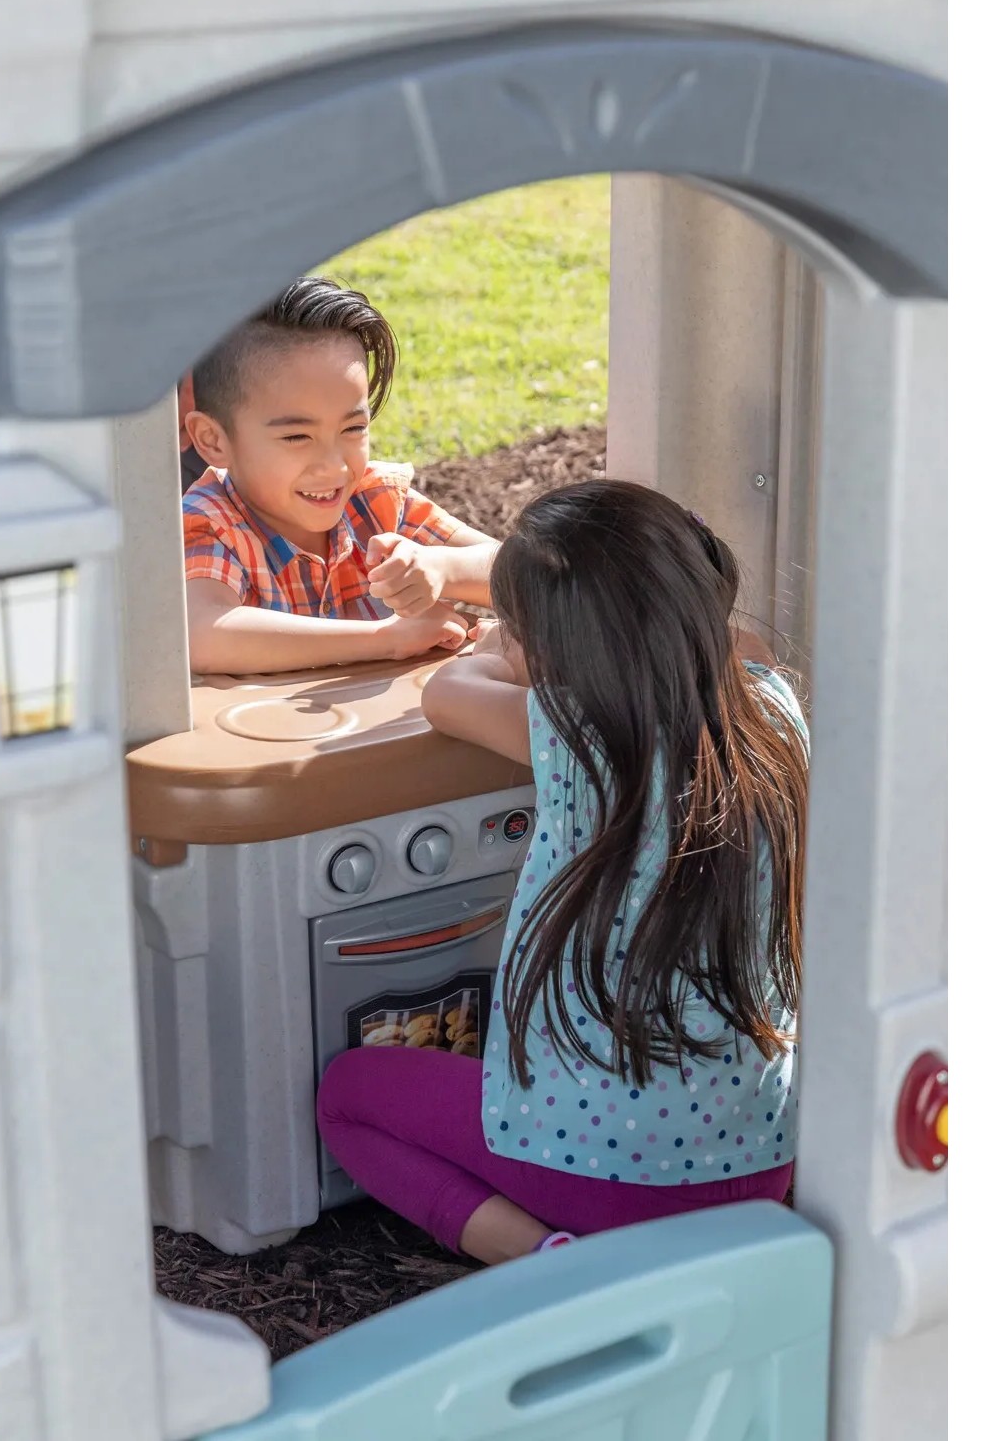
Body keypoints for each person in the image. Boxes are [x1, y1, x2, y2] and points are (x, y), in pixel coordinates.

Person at [316, 480, 810, 1264]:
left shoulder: (581, 739)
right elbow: (746, 648)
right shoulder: (776, 714)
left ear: (556, 653)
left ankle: (557, 1260)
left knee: (348, 1096)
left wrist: (490, 646)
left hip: (602, 1177)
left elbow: (450, 693)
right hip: (759, 1165)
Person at [179, 277, 499, 673]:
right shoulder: (209, 521)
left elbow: (532, 575)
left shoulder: (377, 501)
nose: (335, 465)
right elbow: (201, 633)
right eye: (297, 436)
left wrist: (444, 568)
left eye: (353, 429)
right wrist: (386, 639)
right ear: (212, 440)